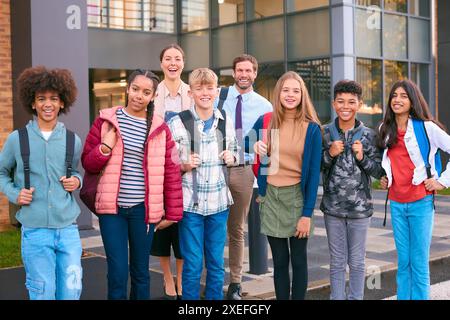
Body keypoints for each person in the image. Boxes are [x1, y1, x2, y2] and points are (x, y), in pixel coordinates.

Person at [81, 69, 183, 300]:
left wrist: (173, 213)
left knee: (141, 272)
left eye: (146, 92)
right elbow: (88, 162)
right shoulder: (106, 121)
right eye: (135, 89)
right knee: (117, 272)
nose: (139, 95)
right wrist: (104, 148)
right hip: (112, 211)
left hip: (143, 212)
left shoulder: (160, 128)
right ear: (128, 89)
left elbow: (172, 170)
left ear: (153, 96)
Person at [0, 66, 83, 300]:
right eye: (41, 99)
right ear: (33, 103)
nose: (48, 104)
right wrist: (15, 194)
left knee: (72, 290)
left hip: (67, 229)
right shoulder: (18, 139)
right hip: (35, 230)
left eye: (54, 99)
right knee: (42, 292)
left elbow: (76, 171)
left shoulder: (72, 140)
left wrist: (75, 181)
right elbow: (1, 173)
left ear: (62, 103)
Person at [248, 71, 322, 300]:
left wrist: (307, 214)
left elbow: (312, 176)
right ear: (279, 92)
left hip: (297, 198)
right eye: (286, 90)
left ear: (303, 95)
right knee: (279, 261)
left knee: (298, 260)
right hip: (271, 197)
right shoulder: (266, 121)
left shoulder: (312, 129)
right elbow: (245, 144)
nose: (290, 95)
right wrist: (256, 146)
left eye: (296, 91)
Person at [167, 68, 238, 300]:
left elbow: (236, 151)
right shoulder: (177, 123)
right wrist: (183, 165)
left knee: (216, 265)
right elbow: (166, 164)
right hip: (191, 208)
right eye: (199, 88)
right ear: (191, 92)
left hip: (219, 205)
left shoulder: (225, 122)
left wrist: (232, 157)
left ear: (217, 91)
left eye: (210, 88)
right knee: (193, 265)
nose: (205, 93)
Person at [378, 79, 450, 300]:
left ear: (413, 100)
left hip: (420, 202)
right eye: (394, 96)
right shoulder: (385, 129)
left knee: (418, 262)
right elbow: (390, 163)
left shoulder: (426, 128)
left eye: (404, 96)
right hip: (397, 204)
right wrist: (385, 178)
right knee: (404, 261)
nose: (397, 100)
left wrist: (442, 181)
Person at [320, 80, 385, 300]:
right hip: (333, 209)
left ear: (359, 104)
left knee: (357, 262)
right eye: (340, 101)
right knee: (337, 261)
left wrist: (362, 157)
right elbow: (316, 166)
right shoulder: (325, 132)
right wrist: (330, 153)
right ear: (333, 103)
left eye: (351, 102)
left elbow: (378, 172)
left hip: (360, 210)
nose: (345, 106)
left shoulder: (370, 135)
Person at [217, 54, 272, 300]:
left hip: (245, 170)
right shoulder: (219, 96)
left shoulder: (265, 106)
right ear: (233, 72)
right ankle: (214, 277)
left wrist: (265, 180)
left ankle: (235, 284)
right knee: (213, 226)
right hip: (216, 167)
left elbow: (269, 145)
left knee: (236, 230)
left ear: (255, 74)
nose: (244, 74)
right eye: (239, 70)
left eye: (248, 70)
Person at [151, 44, 193, 300]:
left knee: (183, 227)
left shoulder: (192, 92)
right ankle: (167, 276)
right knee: (161, 224)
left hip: (188, 169)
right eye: (168, 58)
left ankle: (180, 277)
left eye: (177, 58)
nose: (173, 62)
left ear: (183, 63)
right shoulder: (152, 93)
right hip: (158, 168)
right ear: (162, 63)